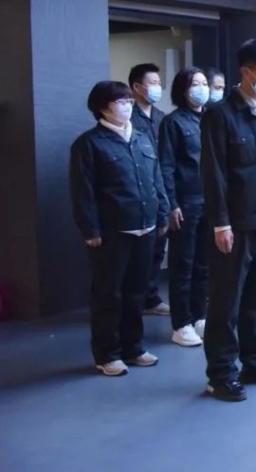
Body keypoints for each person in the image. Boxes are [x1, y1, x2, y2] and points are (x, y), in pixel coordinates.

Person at [200, 39, 256, 402]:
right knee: (226, 302)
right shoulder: (220, 114)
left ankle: (255, 361)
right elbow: (214, 174)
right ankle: (221, 372)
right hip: (235, 225)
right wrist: (220, 223)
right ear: (245, 71)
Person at [70, 81, 169, 376]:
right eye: (120, 101)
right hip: (112, 231)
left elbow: (156, 179)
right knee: (108, 294)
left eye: (128, 100)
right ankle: (107, 353)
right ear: (103, 107)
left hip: (145, 227)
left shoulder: (141, 137)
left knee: (136, 292)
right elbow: (83, 191)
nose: (127, 106)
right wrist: (90, 229)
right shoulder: (89, 144)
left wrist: (162, 213)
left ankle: (133, 348)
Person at [159, 68, 210, 348]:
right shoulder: (173, 122)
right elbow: (166, 166)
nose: (201, 88)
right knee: (183, 265)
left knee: (204, 264)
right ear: (182, 89)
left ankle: (200, 316)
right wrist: (171, 203)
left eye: (204, 83)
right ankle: (181, 323)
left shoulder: (211, 118)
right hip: (185, 202)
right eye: (195, 84)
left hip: (210, 202)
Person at [129, 63, 170, 317]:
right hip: (137, 192)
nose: (157, 87)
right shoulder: (128, 117)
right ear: (137, 87)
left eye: (158, 83)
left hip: (160, 189)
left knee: (157, 249)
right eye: (152, 83)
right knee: (136, 256)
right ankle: (133, 301)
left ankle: (151, 297)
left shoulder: (162, 118)